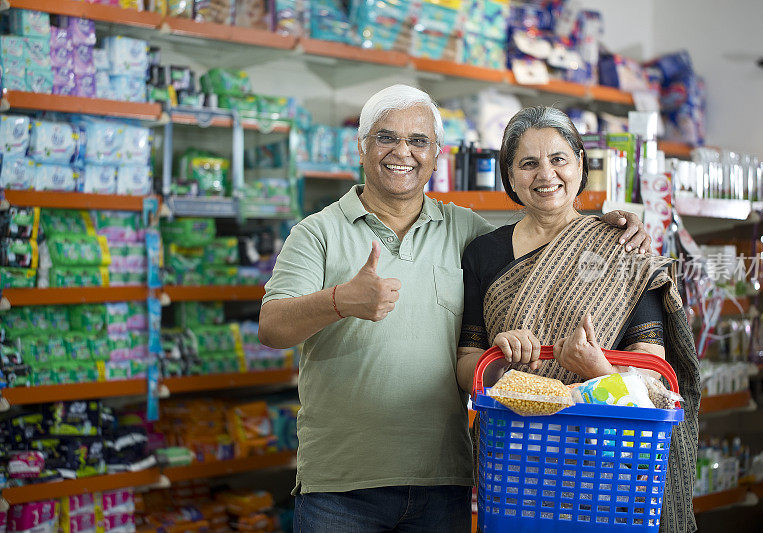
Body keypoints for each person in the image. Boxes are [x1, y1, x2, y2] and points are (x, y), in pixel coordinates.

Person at [258, 84, 653, 533]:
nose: (403, 152)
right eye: (387, 137)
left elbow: (540, 244)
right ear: (362, 146)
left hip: (443, 481)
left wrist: (619, 225)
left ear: (437, 153)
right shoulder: (317, 233)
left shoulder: (467, 232)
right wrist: (339, 301)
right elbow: (271, 328)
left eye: (418, 141)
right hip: (342, 486)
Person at [456, 106, 700, 533]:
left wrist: (596, 369)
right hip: (519, 464)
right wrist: (501, 359)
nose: (545, 174)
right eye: (528, 163)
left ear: (581, 165)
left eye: (558, 159)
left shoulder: (621, 247)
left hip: (608, 465)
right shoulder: (483, 254)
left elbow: (654, 379)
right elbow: (466, 367)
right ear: (510, 177)